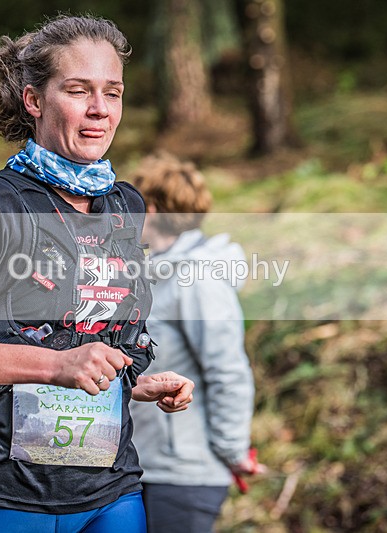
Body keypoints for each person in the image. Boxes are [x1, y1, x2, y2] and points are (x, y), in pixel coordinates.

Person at [0, 16, 194, 533]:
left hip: (108, 490)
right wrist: (57, 367)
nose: (100, 109)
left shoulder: (125, 206)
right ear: (34, 101)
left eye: (113, 93)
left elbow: (83, 331)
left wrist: (128, 380)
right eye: (78, 91)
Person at [128, 153, 264, 533]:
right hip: (145, 464)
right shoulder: (156, 273)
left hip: (185, 474)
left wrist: (233, 452)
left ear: (150, 209)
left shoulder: (198, 280)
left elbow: (228, 371)